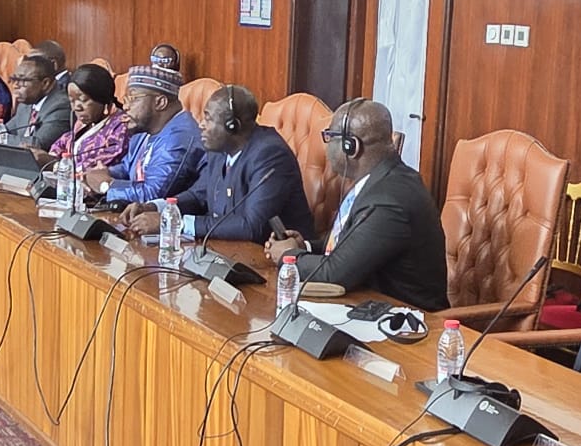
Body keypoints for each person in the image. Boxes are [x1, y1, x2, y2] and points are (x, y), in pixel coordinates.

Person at [263, 99, 448, 310]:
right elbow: (350, 247)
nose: (326, 146)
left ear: (351, 146)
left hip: (407, 321)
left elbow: (333, 274)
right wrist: (304, 246)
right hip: (367, 305)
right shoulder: (380, 180)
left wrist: (287, 256)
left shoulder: (388, 200)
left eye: (330, 136)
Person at [122, 84, 314, 244]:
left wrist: (172, 223)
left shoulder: (269, 155)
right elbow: (198, 195)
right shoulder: (219, 149)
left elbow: (251, 226)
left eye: (208, 118)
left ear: (233, 126)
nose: (201, 125)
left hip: (273, 260)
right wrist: (156, 207)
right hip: (226, 252)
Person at [84, 65, 203, 207]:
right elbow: (127, 167)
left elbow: (151, 195)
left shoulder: (180, 137)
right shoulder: (145, 130)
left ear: (160, 102)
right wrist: (102, 173)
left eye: (133, 98)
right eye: (126, 99)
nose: (126, 107)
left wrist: (106, 185)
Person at [49, 63, 131, 179]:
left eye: (83, 100)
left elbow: (95, 167)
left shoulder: (121, 127)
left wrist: (58, 165)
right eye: (72, 101)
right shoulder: (83, 123)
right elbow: (61, 143)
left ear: (101, 99)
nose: (76, 107)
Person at [0, 52, 72, 152]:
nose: (15, 85)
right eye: (14, 79)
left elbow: (38, 144)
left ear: (45, 83)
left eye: (23, 80)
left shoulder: (61, 106)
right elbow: (6, 130)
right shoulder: (26, 103)